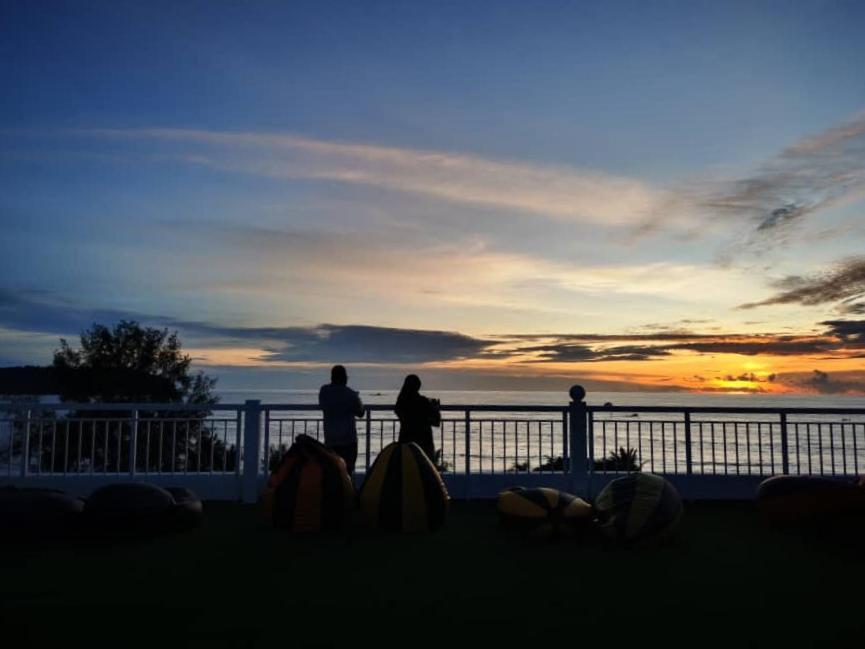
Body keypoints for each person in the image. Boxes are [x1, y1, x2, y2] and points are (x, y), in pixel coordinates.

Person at [318, 365, 364, 475]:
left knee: (332, 474)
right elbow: (361, 413)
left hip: (331, 440)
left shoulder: (324, 391)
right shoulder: (351, 394)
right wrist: (358, 399)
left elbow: (323, 405)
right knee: (347, 473)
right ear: (344, 378)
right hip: (348, 442)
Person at [394, 374, 440, 463]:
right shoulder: (423, 402)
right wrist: (436, 409)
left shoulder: (401, 403)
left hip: (406, 442)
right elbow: (436, 422)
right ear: (418, 386)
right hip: (424, 442)